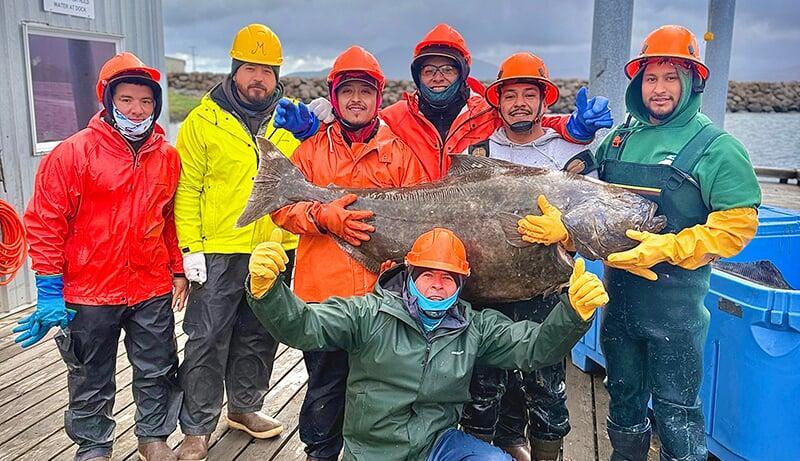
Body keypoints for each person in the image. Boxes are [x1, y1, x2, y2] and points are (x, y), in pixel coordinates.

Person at [245, 227, 608, 461]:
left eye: (448, 277)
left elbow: (533, 347)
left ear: (461, 284)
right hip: (372, 451)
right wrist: (268, 292)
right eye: (428, 274)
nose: (437, 284)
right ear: (409, 276)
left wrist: (572, 313)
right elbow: (305, 326)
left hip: (438, 446)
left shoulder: (475, 326)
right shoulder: (367, 313)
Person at [584, 25, 758, 460]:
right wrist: (573, 140)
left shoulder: (717, 148)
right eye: (650, 78)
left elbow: (735, 228)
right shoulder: (619, 140)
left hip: (676, 313)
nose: (658, 89)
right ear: (637, 84)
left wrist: (666, 248)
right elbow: (584, 181)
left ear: (692, 82)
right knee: (622, 397)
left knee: (676, 411)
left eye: (670, 78)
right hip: (618, 306)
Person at [16, 52, 185, 461]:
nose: (137, 109)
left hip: (150, 286)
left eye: (146, 101)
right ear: (108, 101)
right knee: (90, 375)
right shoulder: (72, 153)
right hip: (89, 291)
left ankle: (153, 438)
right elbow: (45, 222)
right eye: (126, 99)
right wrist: (49, 289)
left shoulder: (167, 156)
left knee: (158, 369)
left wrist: (178, 269)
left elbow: (169, 220)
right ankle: (94, 446)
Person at [269, 45, 429, 461]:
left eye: (365, 91)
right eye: (347, 91)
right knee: (324, 390)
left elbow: (420, 219)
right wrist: (321, 217)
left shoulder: (401, 153)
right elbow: (280, 208)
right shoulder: (309, 150)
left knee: (379, 392)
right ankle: (320, 453)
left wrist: (400, 262)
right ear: (333, 97)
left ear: (379, 97)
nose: (356, 100)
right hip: (323, 298)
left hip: (384, 302)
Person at [173, 23, 310, 460]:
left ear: (277, 75)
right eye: (250, 68)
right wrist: (190, 249)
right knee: (206, 338)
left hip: (274, 248)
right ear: (234, 70)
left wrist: (315, 130)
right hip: (218, 250)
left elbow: (311, 176)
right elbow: (187, 189)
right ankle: (196, 427)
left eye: (267, 70)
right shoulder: (202, 121)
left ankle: (245, 407)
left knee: (259, 334)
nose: (258, 78)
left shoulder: (291, 121)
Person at [460, 51, 604, 461]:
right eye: (510, 95)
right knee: (482, 388)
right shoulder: (477, 153)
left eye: (528, 94)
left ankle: (542, 451)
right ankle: (489, 449)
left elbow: (594, 221)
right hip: (485, 292)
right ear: (498, 102)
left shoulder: (570, 155)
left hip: (546, 294)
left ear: (544, 101)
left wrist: (568, 234)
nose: (519, 103)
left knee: (546, 391)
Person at [299, 24, 612, 181]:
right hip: (418, 236)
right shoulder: (393, 117)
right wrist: (320, 125)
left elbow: (528, 122)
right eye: (429, 70)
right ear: (417, 76)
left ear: (462, 74)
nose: (438, 77)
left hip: (471, 235)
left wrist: (575, 127)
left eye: (447, 69)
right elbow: (357, 130)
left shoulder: (489, 113)